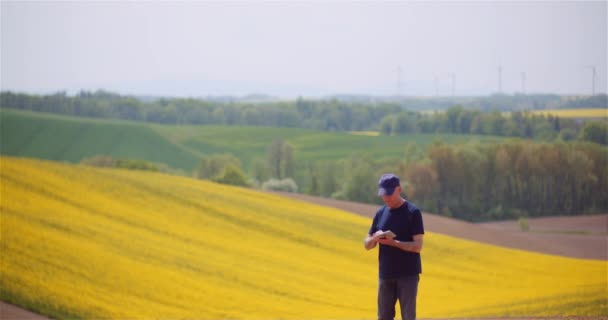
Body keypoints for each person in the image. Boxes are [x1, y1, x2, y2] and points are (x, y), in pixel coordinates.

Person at [364, 173, 424, 320]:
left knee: (408, 317)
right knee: (383, 317)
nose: (386, 198)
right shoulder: (380, 213)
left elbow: (418, 246)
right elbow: (366, 244)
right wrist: (374, 239)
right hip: (385, 275)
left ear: (399, 189)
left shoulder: (413, 213)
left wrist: (394, 243)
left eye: (389, 194)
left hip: (408, 275)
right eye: (383, 195)